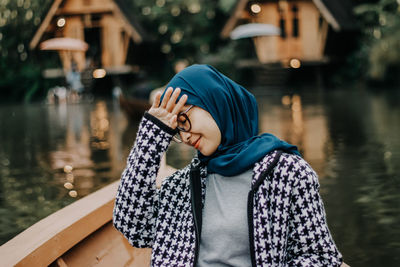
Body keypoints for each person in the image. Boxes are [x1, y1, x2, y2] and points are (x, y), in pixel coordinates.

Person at [113, 65, 343, 266]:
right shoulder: (181, 186)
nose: (184, 138)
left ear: (215, 102)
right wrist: (151, 136)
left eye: (184, 120)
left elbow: (319, 257)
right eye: (176, 131)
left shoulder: (288, 173)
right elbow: (133, 227)